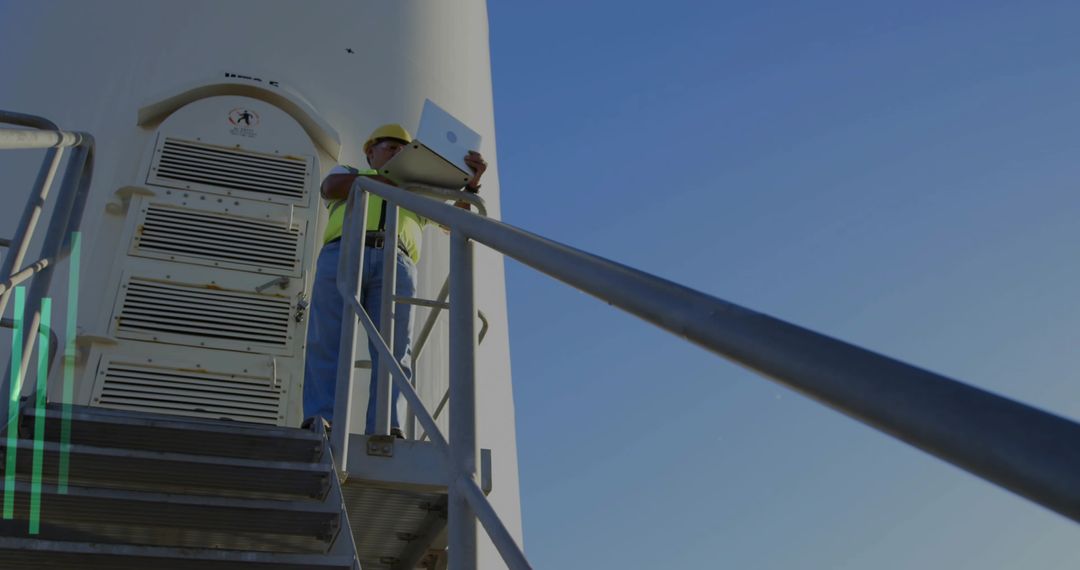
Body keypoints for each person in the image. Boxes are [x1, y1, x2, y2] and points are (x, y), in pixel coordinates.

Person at [303, 123, 487, 436]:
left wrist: (470, 187)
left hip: (398, 261)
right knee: (327, 338)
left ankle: (386, 426)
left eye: (403, 150)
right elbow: (330, 188)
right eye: (390, 147)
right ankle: (321, 418)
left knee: (394, 349)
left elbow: (455, 220)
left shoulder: (417, 191)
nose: (397, 153)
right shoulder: (350, 172)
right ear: (370, 152)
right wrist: (386, 181)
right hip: (344, 252)